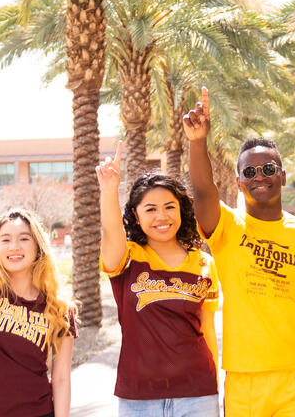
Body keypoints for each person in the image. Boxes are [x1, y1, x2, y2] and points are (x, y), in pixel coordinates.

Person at [182, 87, 295, 417]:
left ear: (282, 175)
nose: (259, 177)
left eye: (268, 169)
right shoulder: (226, 228)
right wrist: (198, 142)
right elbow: (203, 190)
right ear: (239, 182)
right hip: (243, 382)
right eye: (249, 172)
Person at [0, 125, 75, 417]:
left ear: (37, 248)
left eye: (23, 238)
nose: (14, 246)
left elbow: (60, 377)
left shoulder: (59, 308)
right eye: (5, 240)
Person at [96, 157, 222, 417]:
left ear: (181, 210)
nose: (161, 216)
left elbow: (207, 330)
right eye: (150, 209)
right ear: (136, 215)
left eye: (169, 207)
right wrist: (109, 190)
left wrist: (216, 390)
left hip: (198, 395)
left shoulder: (203, 263)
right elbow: (110, 233)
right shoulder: (127, 257)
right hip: (138, 399)